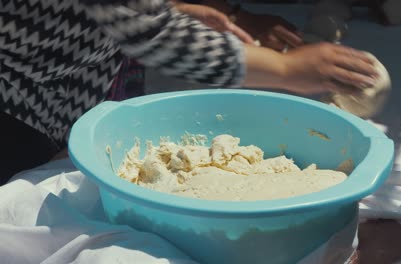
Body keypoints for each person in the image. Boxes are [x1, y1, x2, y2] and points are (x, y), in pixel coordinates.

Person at [0, 0, 378, 185]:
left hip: (71, 84)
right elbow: (152, 35)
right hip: (14, 106)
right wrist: (286, 69)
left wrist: (169, 9)